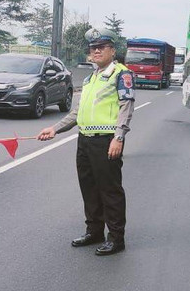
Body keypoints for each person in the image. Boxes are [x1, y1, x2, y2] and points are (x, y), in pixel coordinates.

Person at [37, 27, 135, 256]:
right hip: (85, 140)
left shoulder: (122, 74)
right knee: (89, 188)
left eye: (101, 47)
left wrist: (118, 137)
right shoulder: (92, 77)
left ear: (112, 50)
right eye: (93, 48)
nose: (96, 52)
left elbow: (126, 107)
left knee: (109, 191)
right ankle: (94, 231)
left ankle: (116, 238)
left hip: (107, 140)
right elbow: (77, 113)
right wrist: (54, 129)